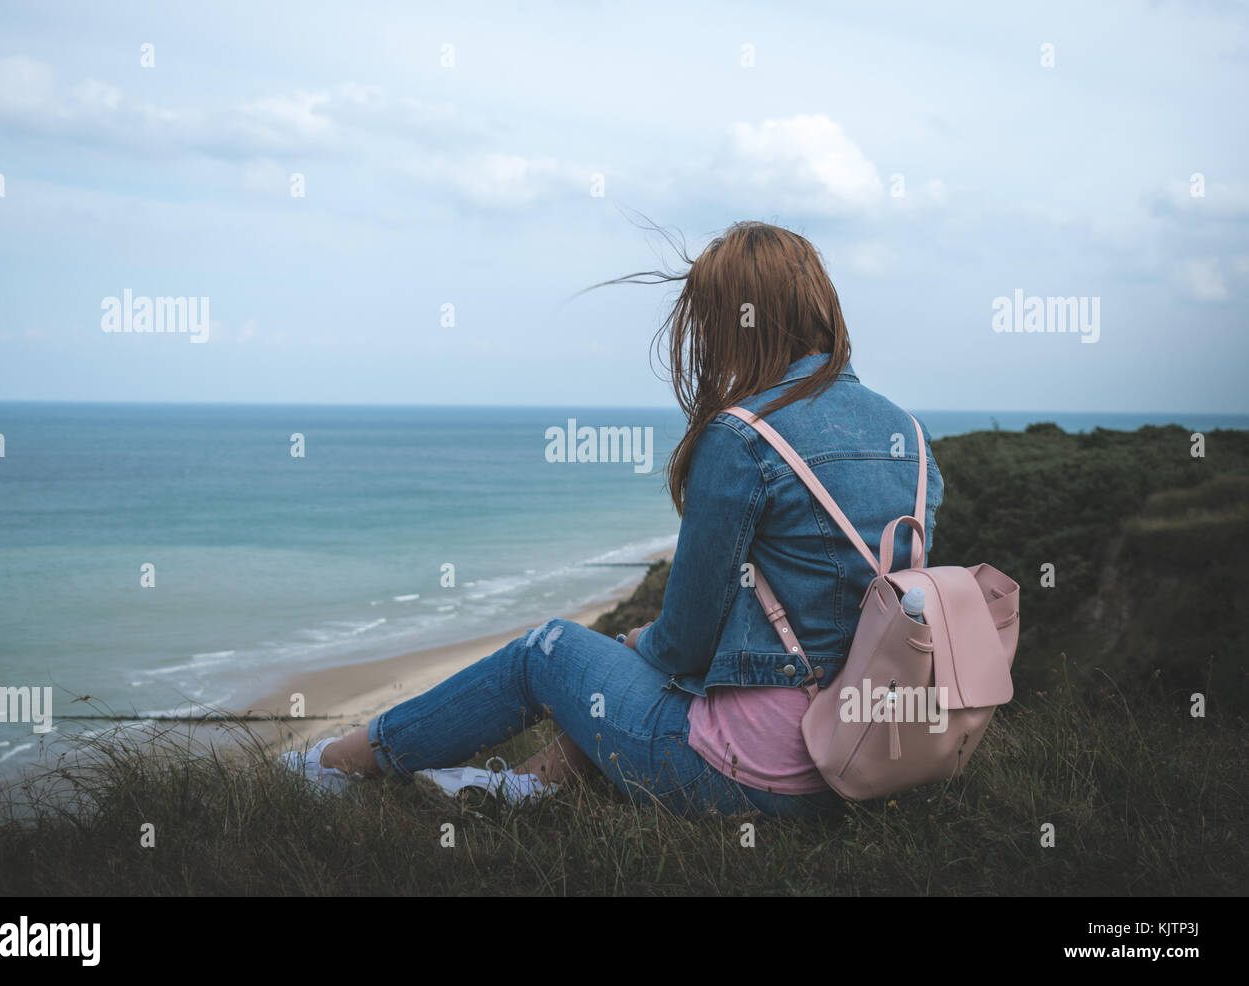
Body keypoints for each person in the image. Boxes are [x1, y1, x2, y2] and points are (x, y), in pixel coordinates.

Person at [282, 220, 943, 819]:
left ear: (734, 323)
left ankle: (341, 765)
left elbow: (683, 646)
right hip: (867, 761)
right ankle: (530, 787)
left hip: (752, 777)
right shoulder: (909, 438)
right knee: (621, 662)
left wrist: (637, 645)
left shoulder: (744, 436)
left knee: (546, 650)